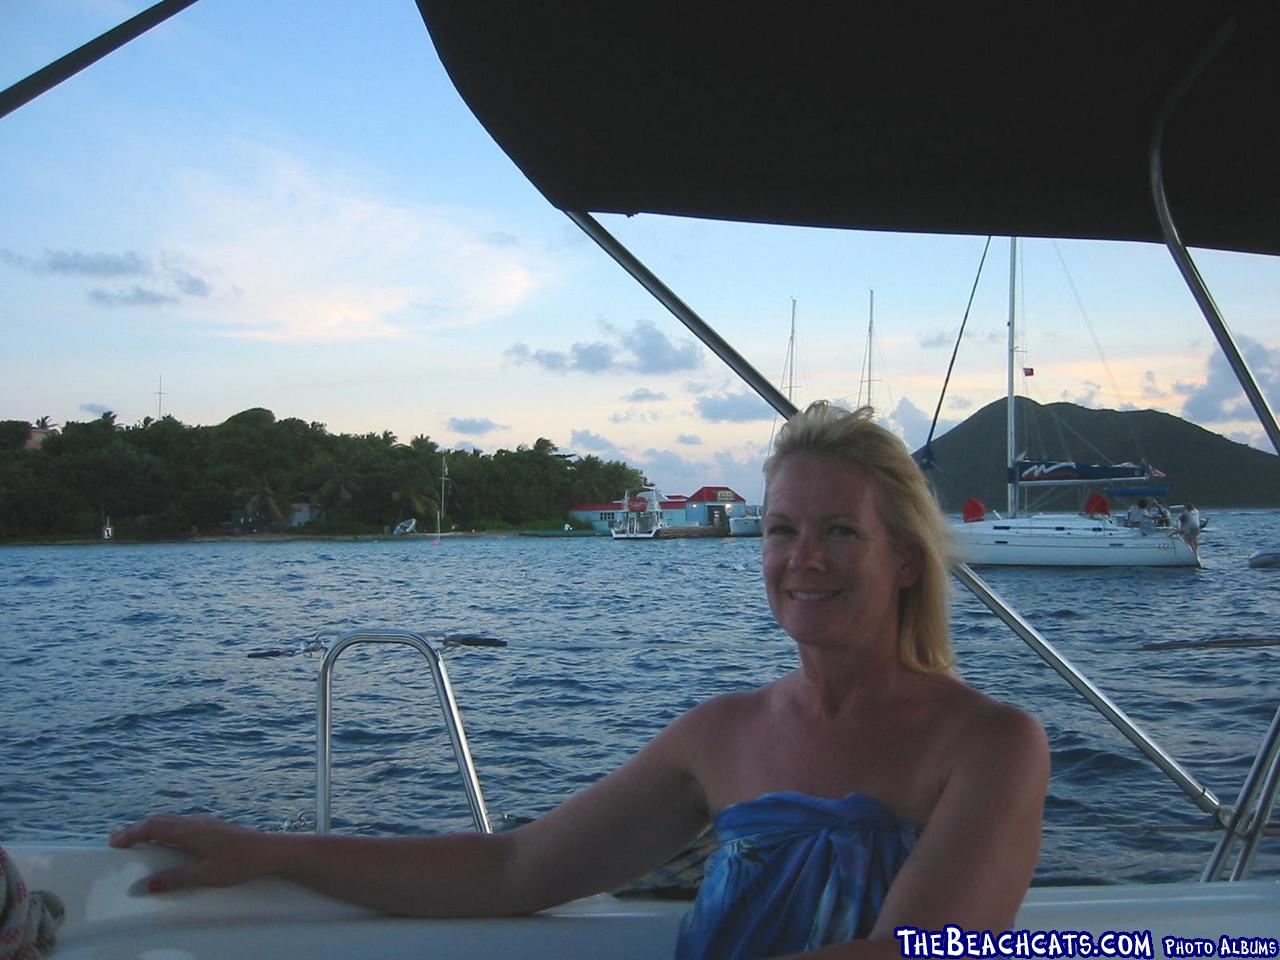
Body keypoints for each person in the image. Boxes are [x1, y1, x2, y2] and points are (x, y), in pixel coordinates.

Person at [110, 401, 1049, 960]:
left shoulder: (989, 746)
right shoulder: (720, 736)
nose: (804, 558)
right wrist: (272, 850)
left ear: (906, 561)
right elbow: (512, 867)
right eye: (779, 530)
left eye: (840, 531)